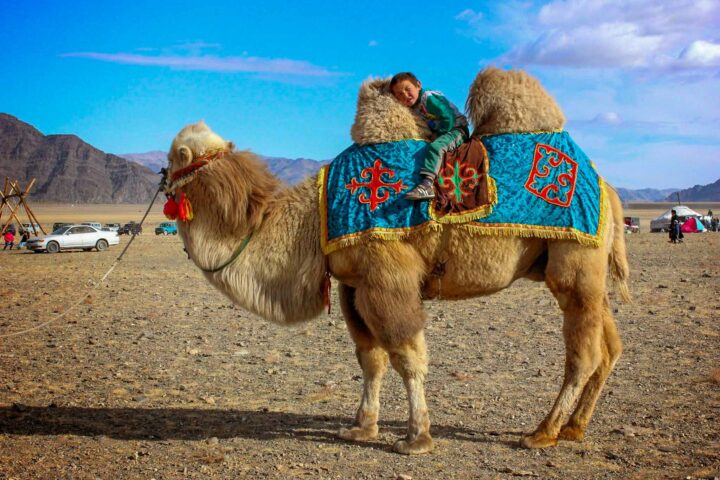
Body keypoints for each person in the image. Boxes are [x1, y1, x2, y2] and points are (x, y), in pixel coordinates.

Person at [390, 72, 469, 200]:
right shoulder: (414, 106)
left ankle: (427, 184)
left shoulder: (428, 98)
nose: (405, 95)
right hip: (442, 131)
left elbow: (448, 116)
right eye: (399, 94)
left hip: (456, 129)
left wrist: (438, 134)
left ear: (418, 85)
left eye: (408, 89)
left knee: (436, 147)